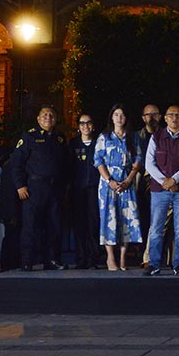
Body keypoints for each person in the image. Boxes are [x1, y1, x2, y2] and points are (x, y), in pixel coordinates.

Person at [10, 105, 68, 272]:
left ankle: (52, 260)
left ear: (55, 119)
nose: (48, 117)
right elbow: (16, 163)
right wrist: (20, 185)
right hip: (34, 188)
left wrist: (64, 188)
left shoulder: (60, 138)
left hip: (55, 189)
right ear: (38, 118)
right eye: (44, 114)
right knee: (30, 226)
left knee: (55, 226)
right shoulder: (29, 137)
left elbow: (65, 165)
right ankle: (27, 261)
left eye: (51, 115)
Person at [144, 105, 179, 276]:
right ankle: (154, 264)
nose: (174, 118)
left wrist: (174, 180)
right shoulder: (156, 137)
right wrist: (164, 182)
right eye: (171, 115)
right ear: (165, 118)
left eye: (178, 115)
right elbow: (149, 163)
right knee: (156, 228)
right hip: (159, 190)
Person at [94, 103, 143, 272]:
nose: (119, 118)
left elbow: (138, 160)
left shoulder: (133, 136)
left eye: (122, 115)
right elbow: (98, 161)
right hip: (108, 183)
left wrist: (129, 179)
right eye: (116, 114)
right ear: (111, 117)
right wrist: (110, 181)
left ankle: (123, 256)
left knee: (126, 219)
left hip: (127, 182)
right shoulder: (104, 137)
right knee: (109, 218)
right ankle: (110, 257)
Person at [69, 113, 101, 269]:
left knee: (94, 224)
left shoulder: (99, 143)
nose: (85, 126)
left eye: (88, 123)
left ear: (93, 126)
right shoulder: (72, 144)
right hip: (77, 190)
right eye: (82, 123)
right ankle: (80, 259)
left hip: (95, 189)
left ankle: (93, 259)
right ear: (78, 126)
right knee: (79, 224)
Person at [136, 104, 161, 268]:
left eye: (155, 114)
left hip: (161, 181)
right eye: (148, 114)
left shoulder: (165, 135)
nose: (151, 117)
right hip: (141, 181)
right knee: (143, 218)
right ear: (143, 117)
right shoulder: (137, 136)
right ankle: (143, 255)